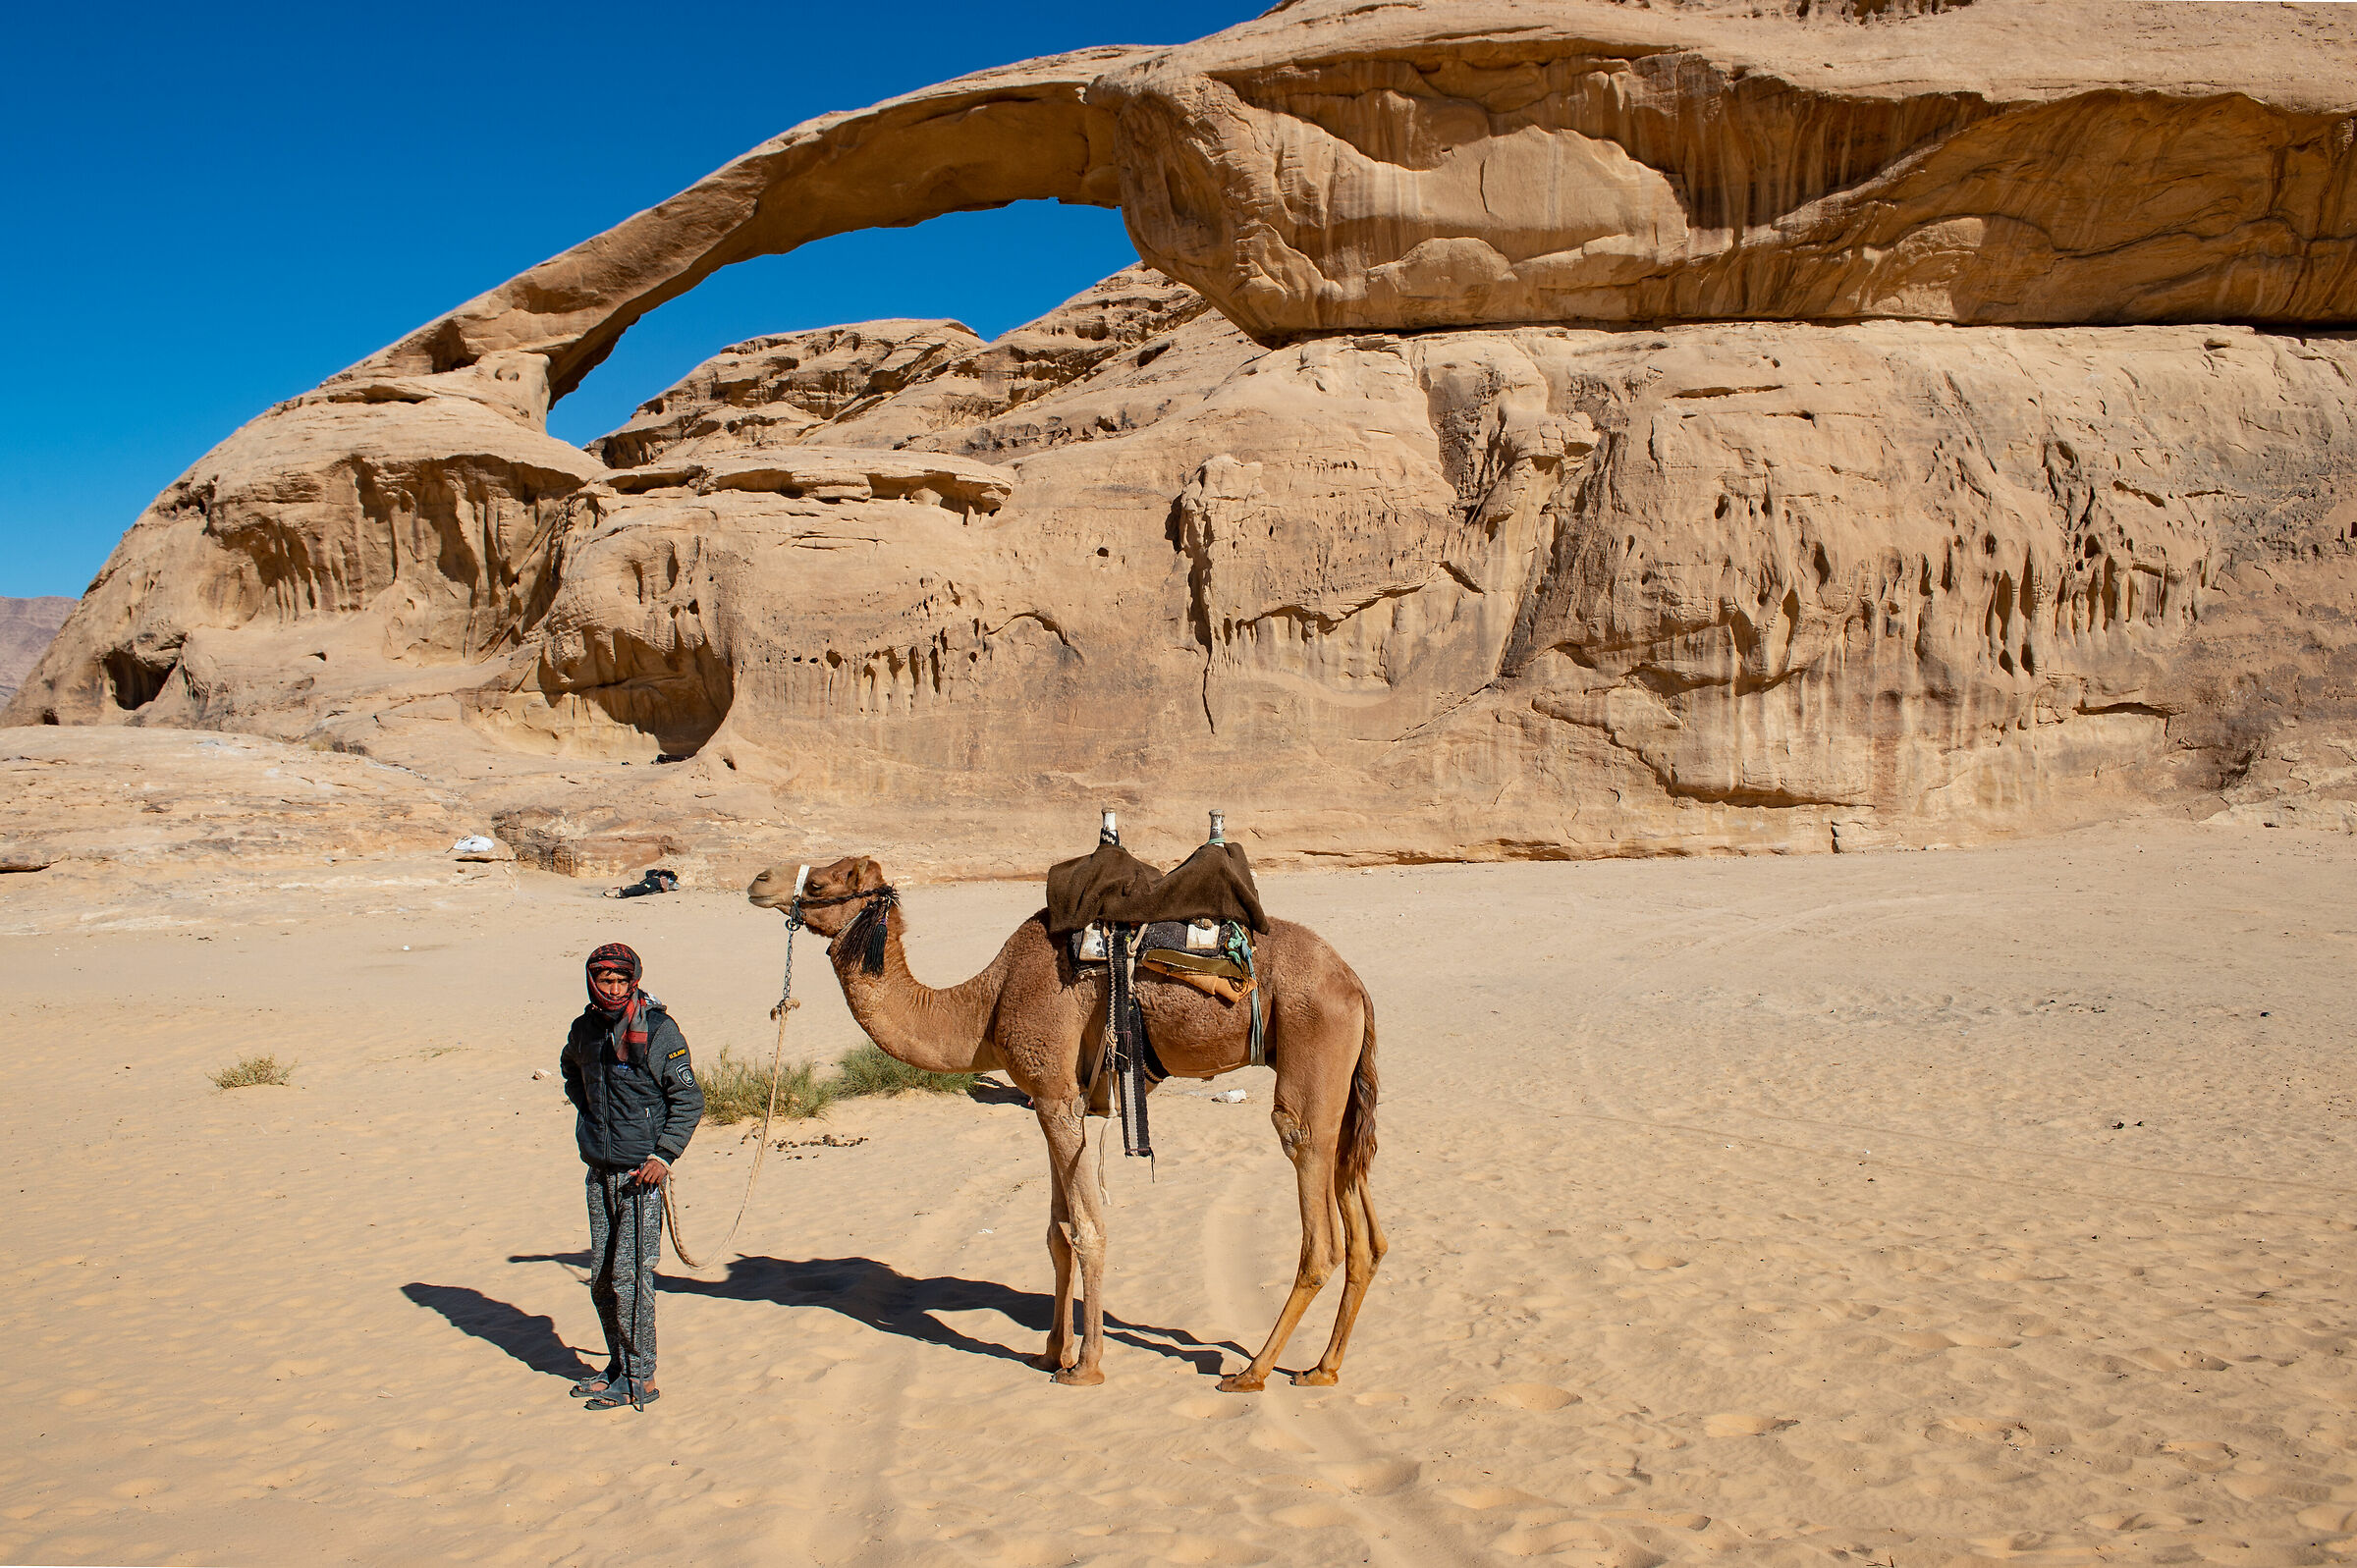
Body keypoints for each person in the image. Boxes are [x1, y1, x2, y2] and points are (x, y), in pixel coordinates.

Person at [560, 942, 702, 1410]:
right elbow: (571, 1072)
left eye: (623, 980)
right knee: (602, 1278)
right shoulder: (584, 1030)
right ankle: (619, 1366)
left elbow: (688, 1100)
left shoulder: (658, 1030)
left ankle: (642, 1377)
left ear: (634, 981)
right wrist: (593, 1119)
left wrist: (664, 1155)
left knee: (631, 1277)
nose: (615, 989)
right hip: (599, 1171)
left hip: (642, 1176)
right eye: (606, 980)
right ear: (592, 982)